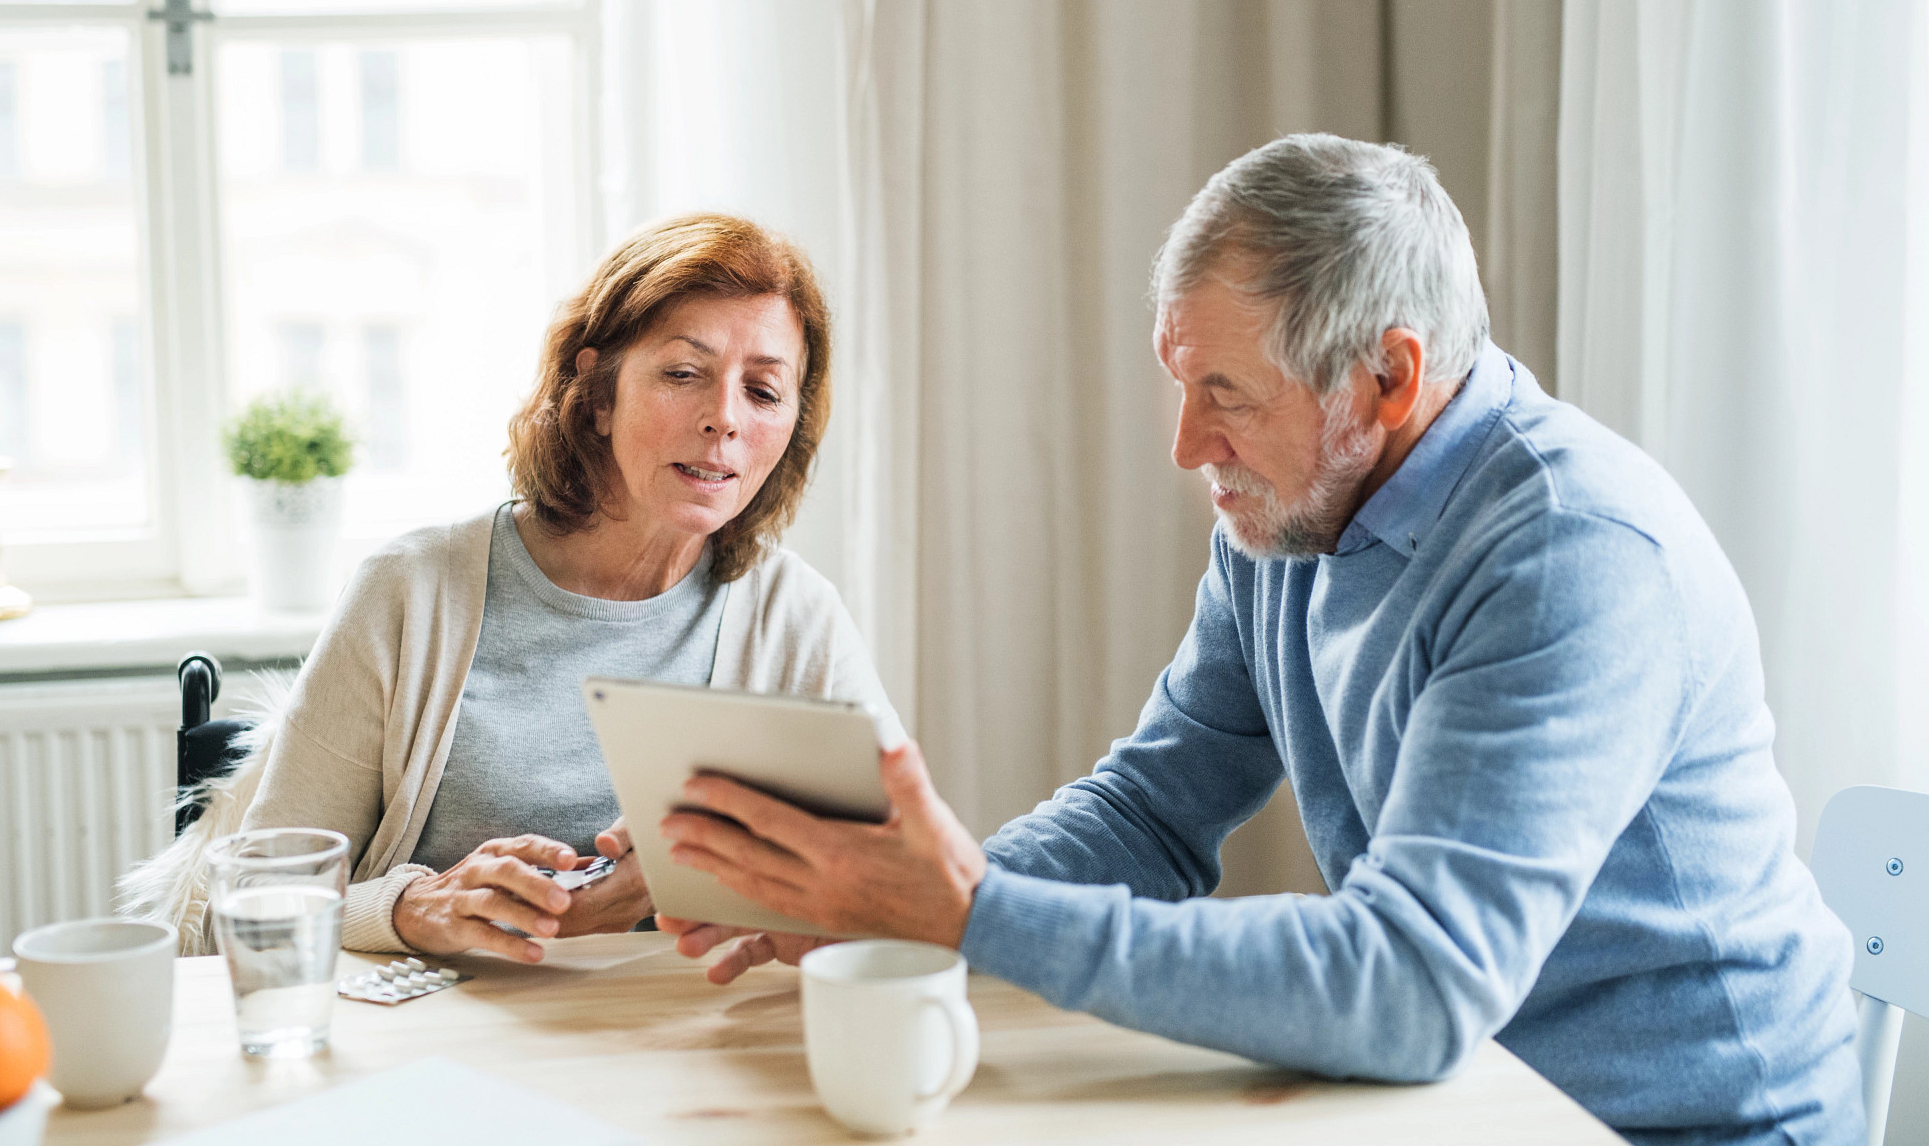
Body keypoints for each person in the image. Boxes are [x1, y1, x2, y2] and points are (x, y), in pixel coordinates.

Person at [653, 137, 1861, 1145]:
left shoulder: (1571, 555)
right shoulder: (1285, 517)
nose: (1187, 444)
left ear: (1387, 377)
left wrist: (969, 912)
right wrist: (885, 899)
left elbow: (1414, 982)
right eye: (1180, 383)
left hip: (1677, 1127)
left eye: (1225, 393)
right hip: (1470, 1101)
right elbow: (1148, 814)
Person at [122, 213, 898, 961]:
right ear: (597, 395)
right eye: (683, 373)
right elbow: (253, 904)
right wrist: (414, 907)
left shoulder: (797, 616)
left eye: (763, 391)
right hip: (438, 1038)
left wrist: (687, 882)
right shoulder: (409, 592)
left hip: (689, 1050)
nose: (723, 418)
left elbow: (899, 886)